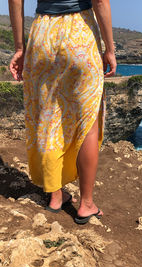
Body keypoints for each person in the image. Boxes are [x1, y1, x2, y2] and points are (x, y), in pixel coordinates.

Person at [8, 0, 117, 224]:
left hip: (43, 34)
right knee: (87, 122)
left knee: (48, 115)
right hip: (80, 32)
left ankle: (56, 195)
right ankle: (86, 203)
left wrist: (20, 47)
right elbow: (99, 1)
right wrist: (110, 49)